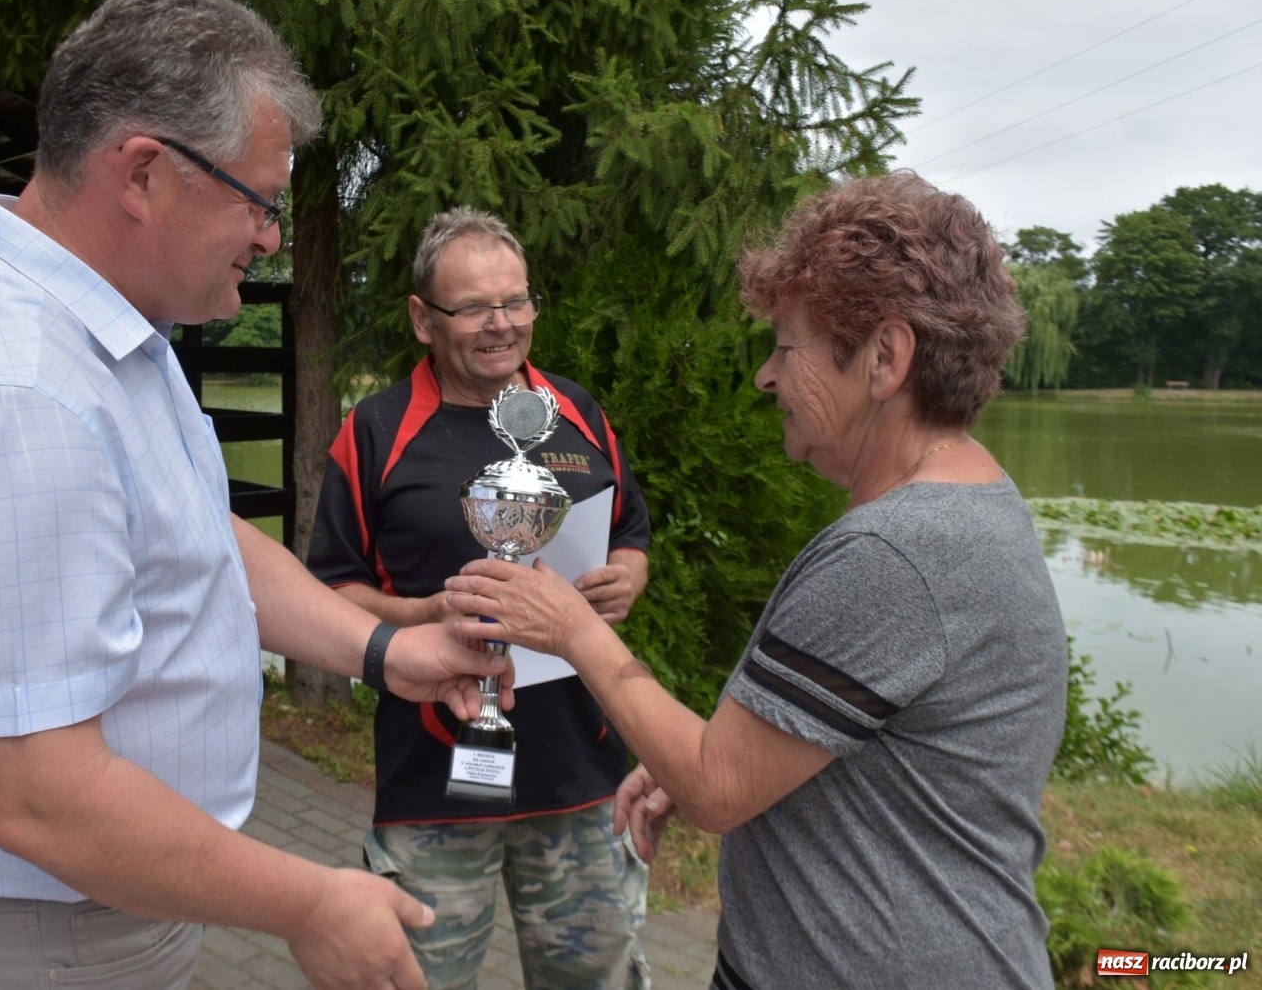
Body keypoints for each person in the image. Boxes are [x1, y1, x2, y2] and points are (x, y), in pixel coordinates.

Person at [0, 0, 512, 990]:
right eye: (260, 201)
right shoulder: (17, 398)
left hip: (78, 920)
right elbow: (40, 796)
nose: (272, 234)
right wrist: (307, 902)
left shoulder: (106, 344)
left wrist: (383, 646)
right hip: (27, 945)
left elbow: (202, 538)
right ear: (143, 171)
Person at [445, 172, 1068, 989]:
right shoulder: (975, 506)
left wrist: (573, 628)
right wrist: (725, 757)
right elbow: (851, 756)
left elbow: (716, 785)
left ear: (885, 357)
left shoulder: (893, 553)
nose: (764, 376)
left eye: (785, 343)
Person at [307, 206, 653, 989]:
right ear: (423, 319)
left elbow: (631, 528)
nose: (502, 324)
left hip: (582, 776)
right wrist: (423, 615)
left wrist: (629, 572)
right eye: (474, 307)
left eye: (517, 301)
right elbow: (331, 589)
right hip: (433, 780)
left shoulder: (578, 413)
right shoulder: (375, 430)